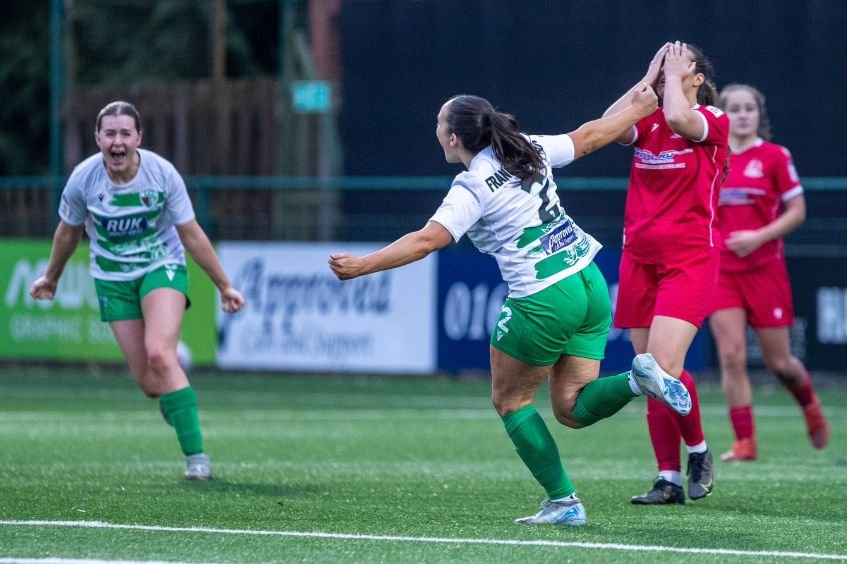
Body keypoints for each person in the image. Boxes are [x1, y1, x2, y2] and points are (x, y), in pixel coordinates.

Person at [329, 89, 693, 526]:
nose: (437, 129)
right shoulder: (530, 148)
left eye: (439, 122)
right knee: (571, 409)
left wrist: (361, 265)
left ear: (452, 138)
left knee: (510, 399)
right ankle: (638, 378)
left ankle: (564, 501)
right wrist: (637, 108)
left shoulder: (474, 183)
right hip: (589, 282)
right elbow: (591, 136)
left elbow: (429, 240)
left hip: (544, 297)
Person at [29, 101, 245, 481]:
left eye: (125, 133)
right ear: (97, 138)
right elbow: (67, 232)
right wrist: (51, 277)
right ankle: (174, 382)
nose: (117, 141)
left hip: (161, 266)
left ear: (138, 138)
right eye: (109, 133)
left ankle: (197, 460)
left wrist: (224, 285)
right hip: (112, 278)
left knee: (159, 354)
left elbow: (191, 234)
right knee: (149, 384)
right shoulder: (83, 179)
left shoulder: (162, 175)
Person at [603, 42, 729, 504]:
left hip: (689, 259)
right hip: (639, 258)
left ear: (698, 78)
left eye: (681, 66)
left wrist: (672, 79)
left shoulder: (712, 120)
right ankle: (668, 479)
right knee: (648, 371)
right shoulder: (648, 120)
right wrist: (650, 71)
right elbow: (607, 126)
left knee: (661, 367)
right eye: (665, 67)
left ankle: (698, 450)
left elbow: (680, 119)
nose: (667, 74)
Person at [709, 84, 829, 462]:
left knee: (780, 364)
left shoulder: (775, 156)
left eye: (750, 108)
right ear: (723, 114)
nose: (743, 114)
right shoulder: (713, 155)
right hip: (721, 271)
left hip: (765, 270)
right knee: (731, 355)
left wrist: (759, 236)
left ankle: (809, 403)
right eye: (735, 108)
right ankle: (745, 442)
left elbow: (797, 211)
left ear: (760, 115)